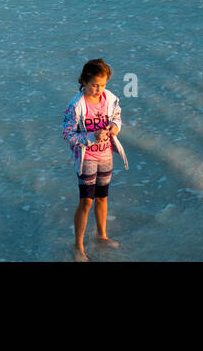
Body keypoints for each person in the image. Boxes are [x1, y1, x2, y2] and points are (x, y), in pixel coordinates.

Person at [63, 58, 127, 261]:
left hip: (106, 155)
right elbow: (68, 134)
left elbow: (117, 117)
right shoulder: (76, 106)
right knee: (86, 202)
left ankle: (102, 235)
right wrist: (91, 137)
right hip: (87, 158)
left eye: (103, 85)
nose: (99, 89)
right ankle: (78, 247)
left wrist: (115, 127)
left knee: (102, 198)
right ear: (84, 80)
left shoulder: (110, 99)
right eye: (94, 85)